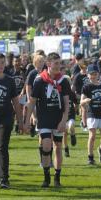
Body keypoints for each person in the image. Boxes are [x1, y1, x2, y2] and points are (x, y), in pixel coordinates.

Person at [25, 52, 70, 188]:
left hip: (58, 119)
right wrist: (27, 120)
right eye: (56, 63)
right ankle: (46, 177)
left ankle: (57, 176)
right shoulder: (39, 80)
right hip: (44, 118)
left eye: (60, 63)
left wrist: (64, 121)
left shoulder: (63, 80)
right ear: (48, 64)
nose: (59, 66)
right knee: (46, 145)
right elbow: (32, 102)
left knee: (57, 147)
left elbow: (67, 104)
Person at [0, 53, 22, 189]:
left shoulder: (9, 80)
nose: (1, 65)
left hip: (6, 118)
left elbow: (15, 101)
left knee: (1, 146)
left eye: (2, 63)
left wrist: (20, 121)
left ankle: (4, 178)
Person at [80, 64, 101, 164]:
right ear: (88, 75)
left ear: (98, 74)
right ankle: (90, 157)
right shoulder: (86, 87)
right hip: (91, 114)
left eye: (95, 74)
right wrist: (85, 101)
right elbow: (81, 102)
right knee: (92, 136)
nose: (93, 76)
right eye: (91, 74)